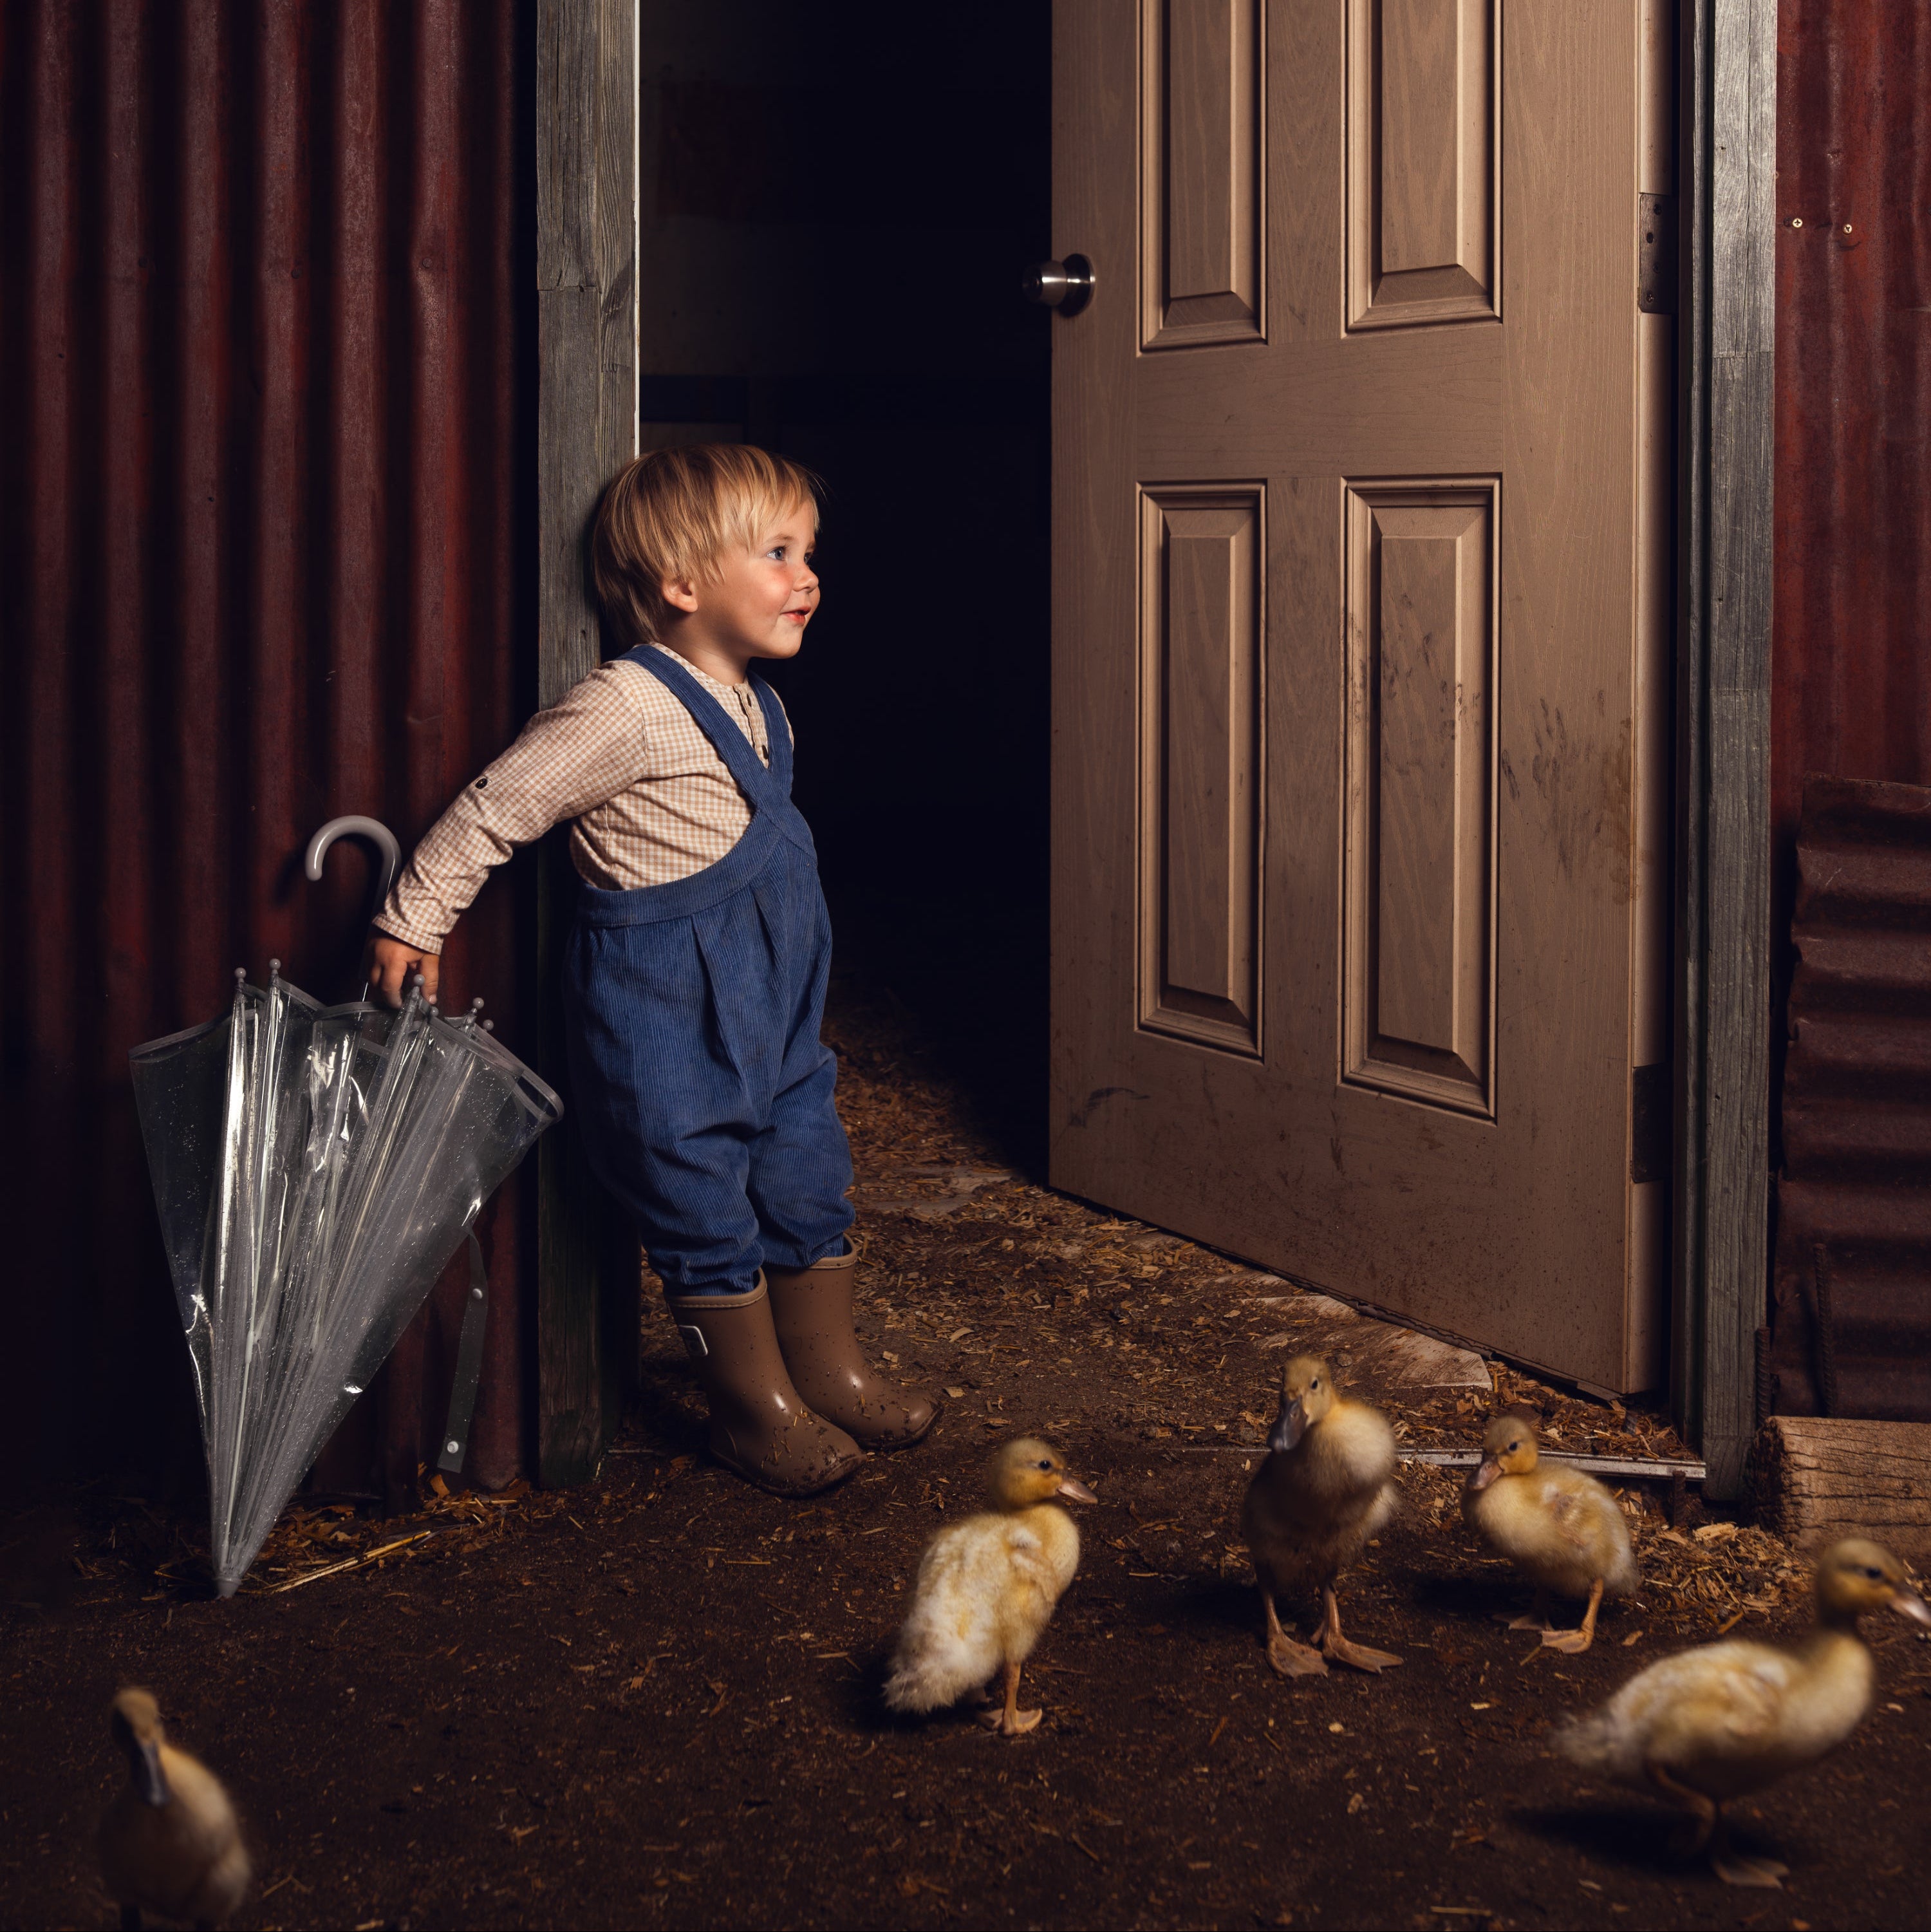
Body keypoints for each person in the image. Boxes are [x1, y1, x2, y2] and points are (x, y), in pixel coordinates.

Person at [366, 444, 937, 1495]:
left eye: (808, 551)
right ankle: (751, 1411)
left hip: (776, 1016)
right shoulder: (625, 706)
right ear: (681, 585)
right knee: (700, 1197)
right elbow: (501, 805)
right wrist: (415, 916)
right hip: (669, 1015)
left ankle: (827, 1370)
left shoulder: (764, 707)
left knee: (807, 1176)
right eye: (776, 551)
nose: (806, 574)